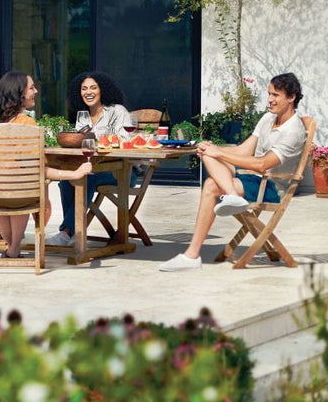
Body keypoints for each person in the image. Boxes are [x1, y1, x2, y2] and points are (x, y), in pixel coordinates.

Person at [160, 72, 307, 272]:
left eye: (275, 95)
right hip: (253, 178)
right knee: (208, 155)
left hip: (271, 186)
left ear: (291, 97)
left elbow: (262, 164)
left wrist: (218, 153)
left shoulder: (294, 131)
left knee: (212, 185)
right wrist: (213, 149)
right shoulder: (268, 118)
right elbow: (243, 151)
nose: (269, 100)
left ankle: (192, 255)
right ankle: (230, 196)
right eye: (269, 94)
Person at [0, 72, 91, 258]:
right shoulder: (27, 123)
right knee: (23, 189)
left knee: (4, 194)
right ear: (19, 93)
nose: (36, 91)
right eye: (31, 87)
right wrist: (75, 174)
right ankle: (14, 248)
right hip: (20, 195)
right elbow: (39, 170)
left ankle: (11, 249)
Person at [52, 71, 134, 247]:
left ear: (102, 90)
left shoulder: (117, 111)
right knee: (67, 179)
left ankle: (66, 231)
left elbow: (125, 141)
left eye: (93, 87)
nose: (88, 92)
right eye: (84, 89)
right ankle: (73, 232)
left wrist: (101, 141)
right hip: (95, 167)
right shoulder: (83, 117)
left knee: (86, 178)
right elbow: (82, 146)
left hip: (121, 171)